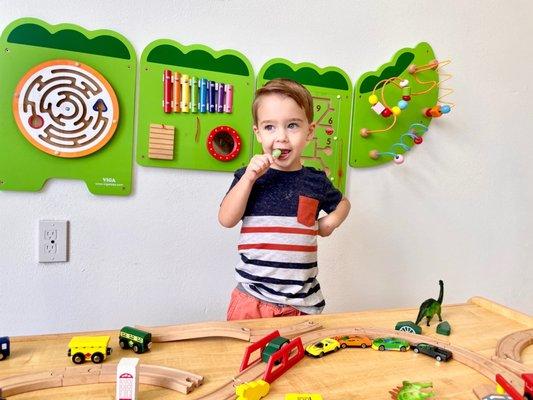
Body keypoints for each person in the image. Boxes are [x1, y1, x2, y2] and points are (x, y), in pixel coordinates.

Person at [219, 78, 351, 320]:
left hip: (301, 306)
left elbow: (343, 203)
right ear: (258, 133)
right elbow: (226, 219)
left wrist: (330, 223)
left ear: (309, 132)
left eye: (292, 125)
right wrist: (248, 178)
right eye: (270, 127)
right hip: (252, 300)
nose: (281, 137)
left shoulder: (316, 180)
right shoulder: (249, 177)